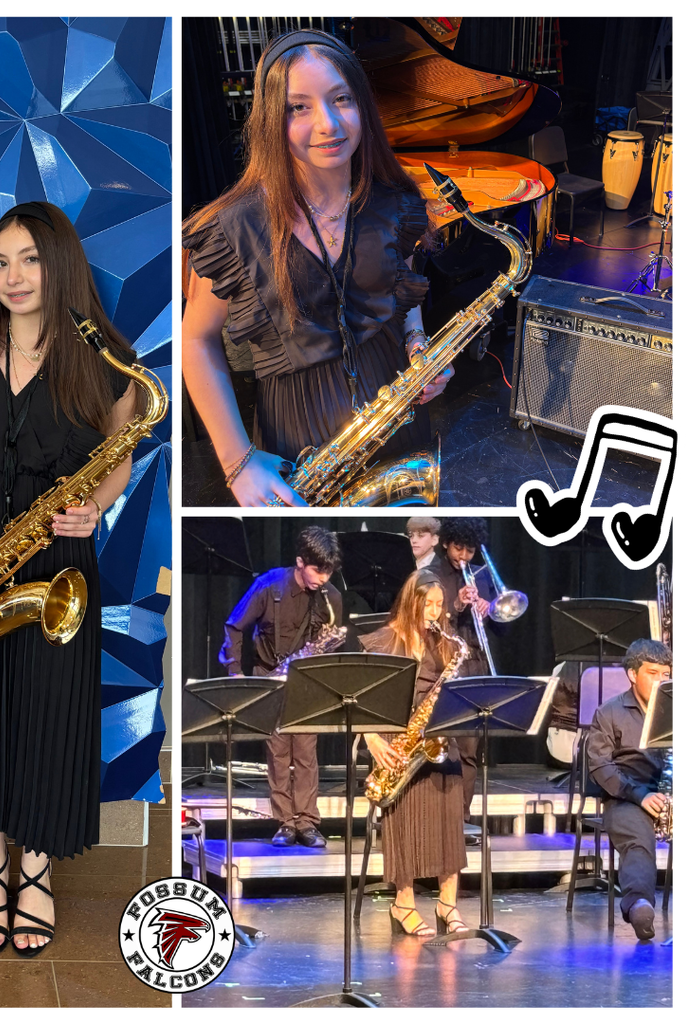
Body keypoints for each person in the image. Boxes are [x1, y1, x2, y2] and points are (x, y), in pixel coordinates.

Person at [0, 201, 139, 955]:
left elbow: (120, 456)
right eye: (1, 262)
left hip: (56, 562)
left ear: (60, 263)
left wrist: (94, 511)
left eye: (31, 259)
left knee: (48, 713)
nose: (13, 276)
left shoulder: (108, 359)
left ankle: (34, 872)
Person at [182, 29, 452, 507]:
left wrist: (418, 345)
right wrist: (236, 461)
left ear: (362, 107)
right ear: (270, 120)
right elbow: (196, 340)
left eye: (341, 99)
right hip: (300, 443)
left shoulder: (398, 202)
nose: (328, 123)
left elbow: (404, 297)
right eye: (298, 107)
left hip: (398, 423)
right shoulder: (232, 227)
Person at [219, 525, 356, 847]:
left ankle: (307, 823)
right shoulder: (269, 586)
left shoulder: (330, 597)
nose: (323, 578)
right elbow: (235, 626)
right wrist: (236, 673)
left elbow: (330, 643)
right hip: (270, 675)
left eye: (329, 571)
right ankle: (284, 822)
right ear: (299, 561)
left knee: (306, 753)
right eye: (317, 570)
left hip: (307, 682)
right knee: (279, 753)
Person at [361, 570, 468, 936]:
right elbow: (359, 701)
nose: (435, 613)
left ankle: (447, 904)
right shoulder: (383, 641)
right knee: (406, 822)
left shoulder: (446, 644)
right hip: (397, 742)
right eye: (428, 604)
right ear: (411, 602)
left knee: (450, 822)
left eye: (440, 605)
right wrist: (372, 739)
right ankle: (402, 904)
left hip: (439, 740)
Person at [586, 638, 672, 941]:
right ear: (632, 674)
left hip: (671, 793)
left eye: (666, 674)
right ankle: (639, 903)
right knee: (637, 839)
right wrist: (640, 795)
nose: (661, 681)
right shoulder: (610, 712)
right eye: (652, 673)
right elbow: (599, 767)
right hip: (627, 797)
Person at [433, 517, 494, 826]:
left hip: (475, 666)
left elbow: (503, 629)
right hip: (444, 668)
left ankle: (462, 817)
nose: (464, 557)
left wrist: (489, 608)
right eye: (458, 548)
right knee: (446, 749)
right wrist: (456, 605)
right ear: (446, 543)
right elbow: (428, 627)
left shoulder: (481, 576)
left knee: (470, 750)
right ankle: (440, 817)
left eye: (470, 551)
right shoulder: (431, 575)